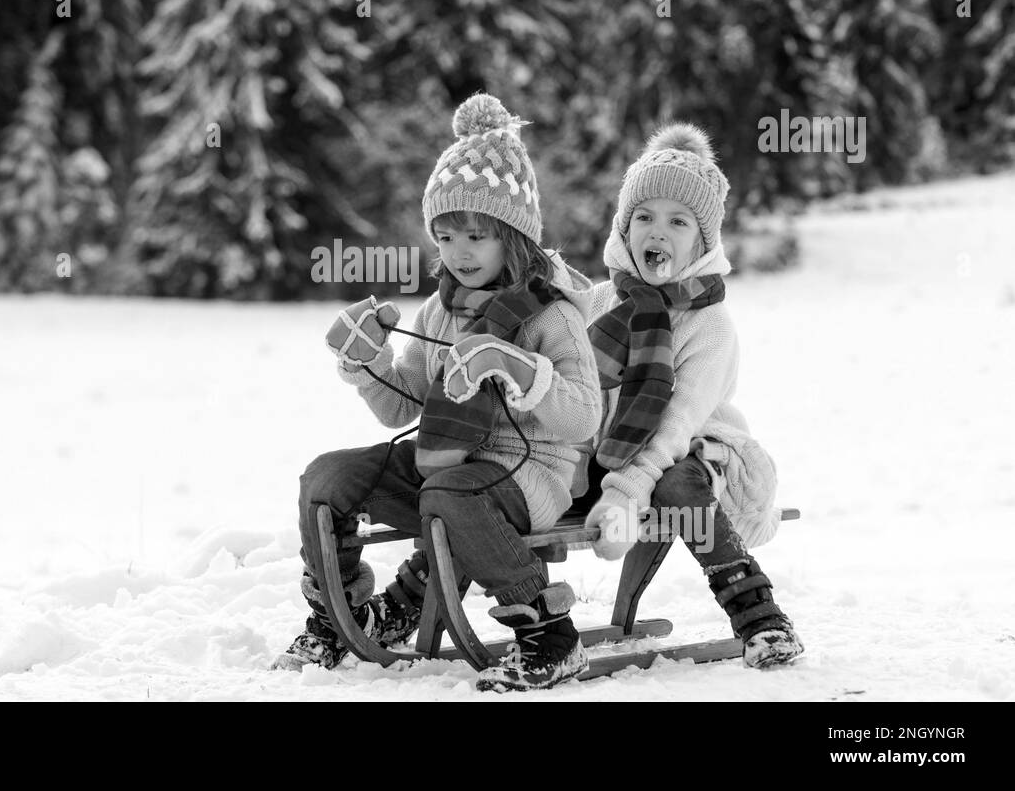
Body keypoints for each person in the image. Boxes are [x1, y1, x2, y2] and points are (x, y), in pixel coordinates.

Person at [272, 93, 603, 691]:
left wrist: (520, 369)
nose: (460, 252)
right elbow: (403, 405)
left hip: (532, 474)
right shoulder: (438, 311)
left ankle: (551, 638)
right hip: (441, 465)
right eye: (446, 236)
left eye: (477, 235)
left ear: (514, 236)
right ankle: (338, 617)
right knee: (328, 478)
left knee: (452, 493)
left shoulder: (552, 316)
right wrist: (365, 361)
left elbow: (582, 418)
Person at [576, 123, 805, 668]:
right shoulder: (599, 302)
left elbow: (674, 430)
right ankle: (536, 618)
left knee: (677, 485)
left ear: (703, 242)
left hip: (690, 454)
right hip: (605, 458)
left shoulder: (710, 326)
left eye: (678, 221)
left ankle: (760, 617)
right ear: (623, 225)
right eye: (644, 217)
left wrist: (627, 493)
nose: (658, 231)